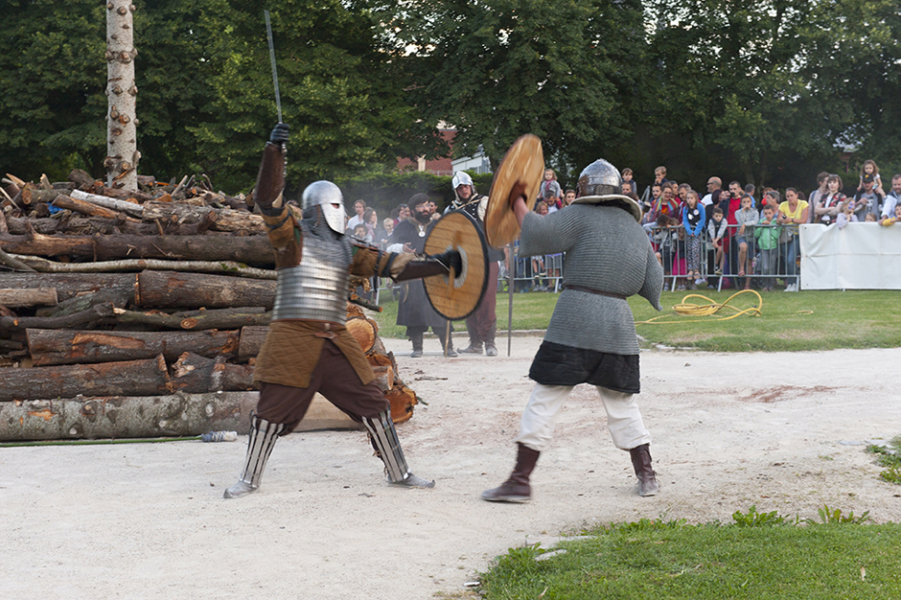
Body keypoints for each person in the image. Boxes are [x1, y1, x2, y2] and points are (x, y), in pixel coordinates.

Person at [224, 123, 459, 498]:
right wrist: (274, 152)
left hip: (336, 342)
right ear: (319, 209)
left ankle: (398, 472)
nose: (340, 211)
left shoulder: (349, 249)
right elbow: (268, 201)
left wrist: (439, 264)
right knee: (270, 416)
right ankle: (248, 479)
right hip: (293, 340)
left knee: (375, 405)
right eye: (335, 205)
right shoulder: (291, 239)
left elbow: (392, 266)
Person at [481, 159, 663, 503]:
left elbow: (539, 233)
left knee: (545, 399)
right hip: (618, 326)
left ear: (583, 191)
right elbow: (654, 285)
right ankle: (647, 475)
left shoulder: (580, 216)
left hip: (575, 320)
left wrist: (517, 200)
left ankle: (520, 480)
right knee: (622, 404)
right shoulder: (637, 230)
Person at [387, 193, 457, 358]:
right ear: (412, 210)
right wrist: (401, 248)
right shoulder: (402, 227)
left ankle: (448, 346)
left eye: (427, 205)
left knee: (440, 312)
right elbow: (388, 249)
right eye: (420, 206)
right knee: (414, 312)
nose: (425, 209)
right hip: (413, 277)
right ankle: (417, 347)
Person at [447, 171, 504, 357]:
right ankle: (475, 343)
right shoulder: (452, 209)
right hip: (465, 260)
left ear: (471, 186)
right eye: (459, 188)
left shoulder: (484, 203)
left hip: (488, 257)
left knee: (487, 301)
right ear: (456, 190)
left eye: (465, 186)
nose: (463, 190)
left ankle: (490, 342)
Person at [776, 187, 809, 292]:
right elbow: (779, 219)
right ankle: (790, 283)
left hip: (798, 235)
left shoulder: (803, 204)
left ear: (796, 195)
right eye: (787, 196)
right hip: (786, 235)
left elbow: (803, 220)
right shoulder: (783, 205)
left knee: (791, 259)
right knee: (786, 260)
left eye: (791, 196)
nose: (789, 198)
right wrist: (786, 219)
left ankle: (794, 282)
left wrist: (790, 220)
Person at [681, 190, 706, 285]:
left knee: (695, 249)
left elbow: (702, 219)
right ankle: (690, 269)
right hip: (689, 231)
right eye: (688, 198)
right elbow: (685, 220)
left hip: (697, 231)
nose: (690, 200)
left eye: (691, 198)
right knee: (689, 249)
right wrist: (689, 231)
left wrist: (696, 232)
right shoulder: (685, 208)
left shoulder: (700, 207)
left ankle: (696, 269)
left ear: (695, 198)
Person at [755, 205, 780, 292]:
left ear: (773, 213)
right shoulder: (761, 221)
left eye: (769, 213)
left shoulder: (776, 223)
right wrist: (761, 226)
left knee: (771, 267)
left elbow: (776, 235)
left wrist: (770, 226)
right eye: (766, 213)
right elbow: (756, 234)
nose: (768, 215)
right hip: (763, 247)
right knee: (765, 267)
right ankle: (765, 284)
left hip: (773, 247)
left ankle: (771, 285)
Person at [734, 194, 758, 281]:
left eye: (748, 202)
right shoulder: (737, 212)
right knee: (743, 247)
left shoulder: (755, 212)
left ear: (751, 202)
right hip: (741, 235)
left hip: (751, 237)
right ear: (741, 203)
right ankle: (741, 268)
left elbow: (755, 221)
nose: (746, 204)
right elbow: (740, 222)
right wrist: (743, 212)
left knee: (749, 260)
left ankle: (747, 284)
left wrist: (745, 224)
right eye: (744, 202)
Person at [708, 206, 728, 276]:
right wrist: (714, 241)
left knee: (722, 251)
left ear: (722, 216)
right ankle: (716, 265)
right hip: (716, 239)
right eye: (716, 216)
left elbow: (721, 231)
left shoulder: (724, 221)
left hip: (724, 238)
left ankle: (719, 267)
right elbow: (711, 230)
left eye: (720, 216)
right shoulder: (711, 221)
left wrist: (715, 241)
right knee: (720, 251)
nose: (718, 218)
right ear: (713, 216)